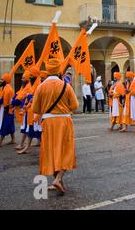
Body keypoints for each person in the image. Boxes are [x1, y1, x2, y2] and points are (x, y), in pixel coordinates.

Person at [32, 58, 79, 195]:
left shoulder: (41, 87)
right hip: (64, 122)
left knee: (51, 151)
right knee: (65, 151)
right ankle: (58, 179)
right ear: (59, 70)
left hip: (48, 123)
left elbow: (35, 108)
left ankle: (58, 181)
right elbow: (75, 106)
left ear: (47, 71)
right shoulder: (66, 86)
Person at [17, 66, 42, 155]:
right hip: (31, 112)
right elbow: (30, 99)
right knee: (31, 131)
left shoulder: (39, 86)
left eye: (31, 75)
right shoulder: (32, 85)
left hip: (36, 113)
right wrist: (25, 107)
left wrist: (30, 99)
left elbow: (36, 99)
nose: (30, 77)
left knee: (39, 132)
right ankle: (26, 147)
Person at [14, 71, 32, 151]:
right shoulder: (24, 86)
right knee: (27, 128)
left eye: (24, 78)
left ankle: (23, 145)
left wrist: (13, 102)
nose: (22, 79)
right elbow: (19, 94)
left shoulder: (29, 87)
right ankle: (23, 144)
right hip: (26, 110)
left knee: (28, 129)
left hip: (29, 111)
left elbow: (23, 97)